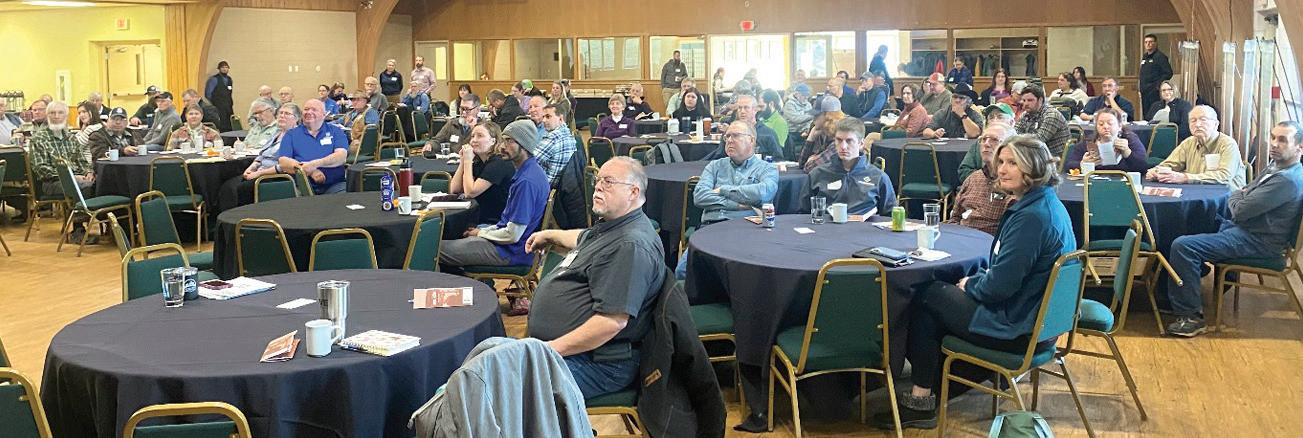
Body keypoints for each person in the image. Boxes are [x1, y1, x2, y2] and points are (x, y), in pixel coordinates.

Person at [879, 134, 1074, 430]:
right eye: (1001, 161)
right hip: (1040, 325)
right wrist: (976, 281)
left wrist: (970, 285)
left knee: (926, 295)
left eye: (1013, 163)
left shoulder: (1032, 217)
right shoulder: (1046, 205)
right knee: (940, 298)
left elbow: (999, 288)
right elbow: (1008, 273)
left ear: (1034, 168)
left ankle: (921, 399)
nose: (1002, 169)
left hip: (1016, 328)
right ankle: (943, 385)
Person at [523, 156, 666, 398]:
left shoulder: (630, 246)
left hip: (600, 363)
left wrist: (545, 350)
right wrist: (549, 235)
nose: (597, 187)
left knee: (502, 389)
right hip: (576, 353)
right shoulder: (615, 225)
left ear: (633, 192)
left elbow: (611, 323)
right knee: (488, 358)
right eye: (598, 180)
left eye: (608, 182)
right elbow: (584, 237)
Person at [1162, 121, 1303, 337]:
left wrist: (1239, 193)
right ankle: (1177, 286)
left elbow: (1239, 208)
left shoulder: (1287, 180)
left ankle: (1191, 317)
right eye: (1273, 137)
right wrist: (1242, 193)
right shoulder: (1276, 167)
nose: (1274, 144)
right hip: (1246, 231)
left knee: (1183, 246)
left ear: (1300, 147)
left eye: (1282, 140)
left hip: (1257, 242)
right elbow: (1243, 192)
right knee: (1189, 224)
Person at [441, 119, 550, 315]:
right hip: (511, 246)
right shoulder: (529, 172)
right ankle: (476, 296)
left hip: (511, 252)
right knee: (451, 241)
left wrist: (481, 233)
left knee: (435, 249)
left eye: (510, 141)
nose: (503, 146)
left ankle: (463, 306)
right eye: (504, 140)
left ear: (524, 146)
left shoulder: (526, 181)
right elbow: (507, 225)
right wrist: (482, 231)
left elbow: (513, 234)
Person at [674, 121, 779, 279]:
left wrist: (723, 190)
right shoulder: (714, 166)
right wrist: (737, 204)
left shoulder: (767, 168)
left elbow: (764, 193)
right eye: (727, 136)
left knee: (741, 275)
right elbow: (700, 196)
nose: (729, 140)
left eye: (735, 136)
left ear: (751, 140)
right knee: (683, 271)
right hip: (712, 227)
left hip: (747, 230)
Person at [30, 101, 97, 243]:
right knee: (80, 186)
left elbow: (82, 161)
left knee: (98, 183)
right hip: (51, 182)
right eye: (52, 113)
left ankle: (110, 226)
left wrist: (89, 172)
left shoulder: (71, 138)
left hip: (77, 178)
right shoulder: (38, 139)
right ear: (47, 116)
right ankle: (78, 230)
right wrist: (71, 177)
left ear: (66, 116)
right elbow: (41, 168)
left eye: (60, 113)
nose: (56, 116)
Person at [216, 102, 297, 211]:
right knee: (227, 185)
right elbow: (262, 155)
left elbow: (284, 166)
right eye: (280, 113)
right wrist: (251, 168)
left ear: (296, 118)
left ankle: (244, 216)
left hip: (275, 175)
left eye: (287, 113)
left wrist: (258, 173)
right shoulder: (277, 133)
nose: (282, 116)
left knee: (241, 188)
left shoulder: (296, 137)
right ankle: (225, 218)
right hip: (259, 170)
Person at [808, 118, 896, 215]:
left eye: (849, 141)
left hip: (865, 224)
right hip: (826, 224)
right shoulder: (817, 174)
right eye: (839, 140)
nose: (843, 146)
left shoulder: (879, 177)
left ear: (861, 144)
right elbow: (802, 215)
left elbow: (890, 216)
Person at [1146, 105, 1245, 189]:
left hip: (1227, 198)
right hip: (1196, 191)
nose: (1197, 124)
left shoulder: (1227, 144)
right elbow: (1170, 164)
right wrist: (1156, 171)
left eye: (1203, 120)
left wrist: (1185, 177)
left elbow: (1224, 176)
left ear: (1216, 124)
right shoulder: (1188, 143)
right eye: (1193, 121)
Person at [946, 123, 1016, 235]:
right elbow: (955, 217)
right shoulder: (973, 178)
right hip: (961, 238)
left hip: (991, 242)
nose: (986, 144)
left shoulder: (1013, 183)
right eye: (983, 139)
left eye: (994, 140)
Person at [277, 99, 349, 194]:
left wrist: (315, 164)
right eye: (306, 109)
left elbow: (341, 156)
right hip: (301, 187)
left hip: (335, 185)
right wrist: (311, 171)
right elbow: (283, 161)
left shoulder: (336, 131)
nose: (309, 112)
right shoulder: (291, 134)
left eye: (314, 109)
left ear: (324, 115)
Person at [450, 122, 516, 225]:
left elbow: (470, 193)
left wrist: (467, 161)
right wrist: (463, 161)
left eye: (480, 136)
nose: (474, 140)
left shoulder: (499, 162)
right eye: (472, 136)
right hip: (477, 217)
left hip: (495, 223)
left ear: (493, 141)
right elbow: (454, 189)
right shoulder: (479, 161)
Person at [1065, 108, 1149, 172]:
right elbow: (1068, 165)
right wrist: (1082, 163)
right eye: (1101, 124)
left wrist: (1127, 152)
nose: (1105, 127)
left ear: (1119, 126)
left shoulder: (1130, 140)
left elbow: (1143, 167)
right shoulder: (1089, 142)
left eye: (1110, 123)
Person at [709, 95, 782, 160]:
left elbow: (778, 159)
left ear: (755, 110)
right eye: (739, 108)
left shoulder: (768, 134)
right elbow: (719, 157)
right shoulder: (729, 133)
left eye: (746, 108)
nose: (742, 111)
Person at [956, 105, 1015, 182]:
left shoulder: (1018, 145)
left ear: (1011, 122)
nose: (995, 120)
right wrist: (985, 179)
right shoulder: (980, 143)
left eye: (1000, 117)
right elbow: (963, 171)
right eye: (991, 117)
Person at [1013, 85, 1071, 158]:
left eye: (1030, 100)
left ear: (1040, 100)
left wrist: (1019, 139)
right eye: (1024, 100)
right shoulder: (1025, 114)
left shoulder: (1051, 115)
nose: (1026, 104)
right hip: (1034, 154)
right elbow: (1014, 133)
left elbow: (1039, 140)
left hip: (1053, 157)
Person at [800, 95, 847, 172]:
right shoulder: (822, 133)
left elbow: (809, 168)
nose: (813, 119)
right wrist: (810, 139)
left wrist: (814, 159)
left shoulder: (841, 138)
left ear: (828, 116)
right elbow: (802, 164)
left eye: (816, 115)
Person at [535, 104, 578, 184]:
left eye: (548, 116)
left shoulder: (553, 137)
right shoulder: (568, 133)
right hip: (563, 184)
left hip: (545, 184)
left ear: (560, 119)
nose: (543, 120)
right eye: (543, 117)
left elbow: (530, 161)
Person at [1140, 33, 1174, 120]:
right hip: (1145, 91)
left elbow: (1168, 73)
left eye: (1150, 42)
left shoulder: (1160, 57)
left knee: (1154, 113)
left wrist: (1157, 85)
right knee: (1146, 114)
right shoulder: (1145, 57)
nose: (1148, 44)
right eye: (1146, 42)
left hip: (1154, 92)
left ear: (1155, 43)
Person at [205, 60, 234, 131]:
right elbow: (208, 94)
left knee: (230, 125)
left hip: (228, 107)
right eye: (223, 67)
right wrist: (215, 103)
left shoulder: (229, 79)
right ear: (219, 69)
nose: (225, 69)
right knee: (221, 125)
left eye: (226, 67)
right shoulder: (214, 79)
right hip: (218, 107)